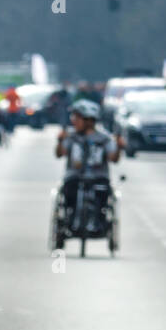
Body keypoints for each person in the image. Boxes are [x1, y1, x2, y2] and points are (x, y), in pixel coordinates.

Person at [53, 100, 122, 240]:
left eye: (77, 118)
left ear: (89, 120)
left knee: (103, 194)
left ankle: (98, 222)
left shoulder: (104, 139)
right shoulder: (71, 137)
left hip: (99, 177)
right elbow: (60, 154)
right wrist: (60, 141)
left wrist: (119, 147)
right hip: (74, 177)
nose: (74, 121)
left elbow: (113, 158)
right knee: (68, 193)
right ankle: (70, 221)